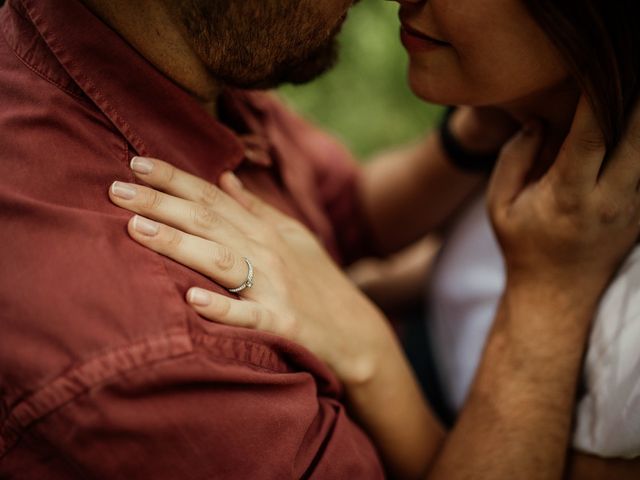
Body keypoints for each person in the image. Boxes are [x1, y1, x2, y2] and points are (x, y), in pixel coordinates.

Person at [0, 1, 634, 480]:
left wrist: (473, 138)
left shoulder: (173, 57)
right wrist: (548, 293)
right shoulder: (164, 356)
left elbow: (340, 210)